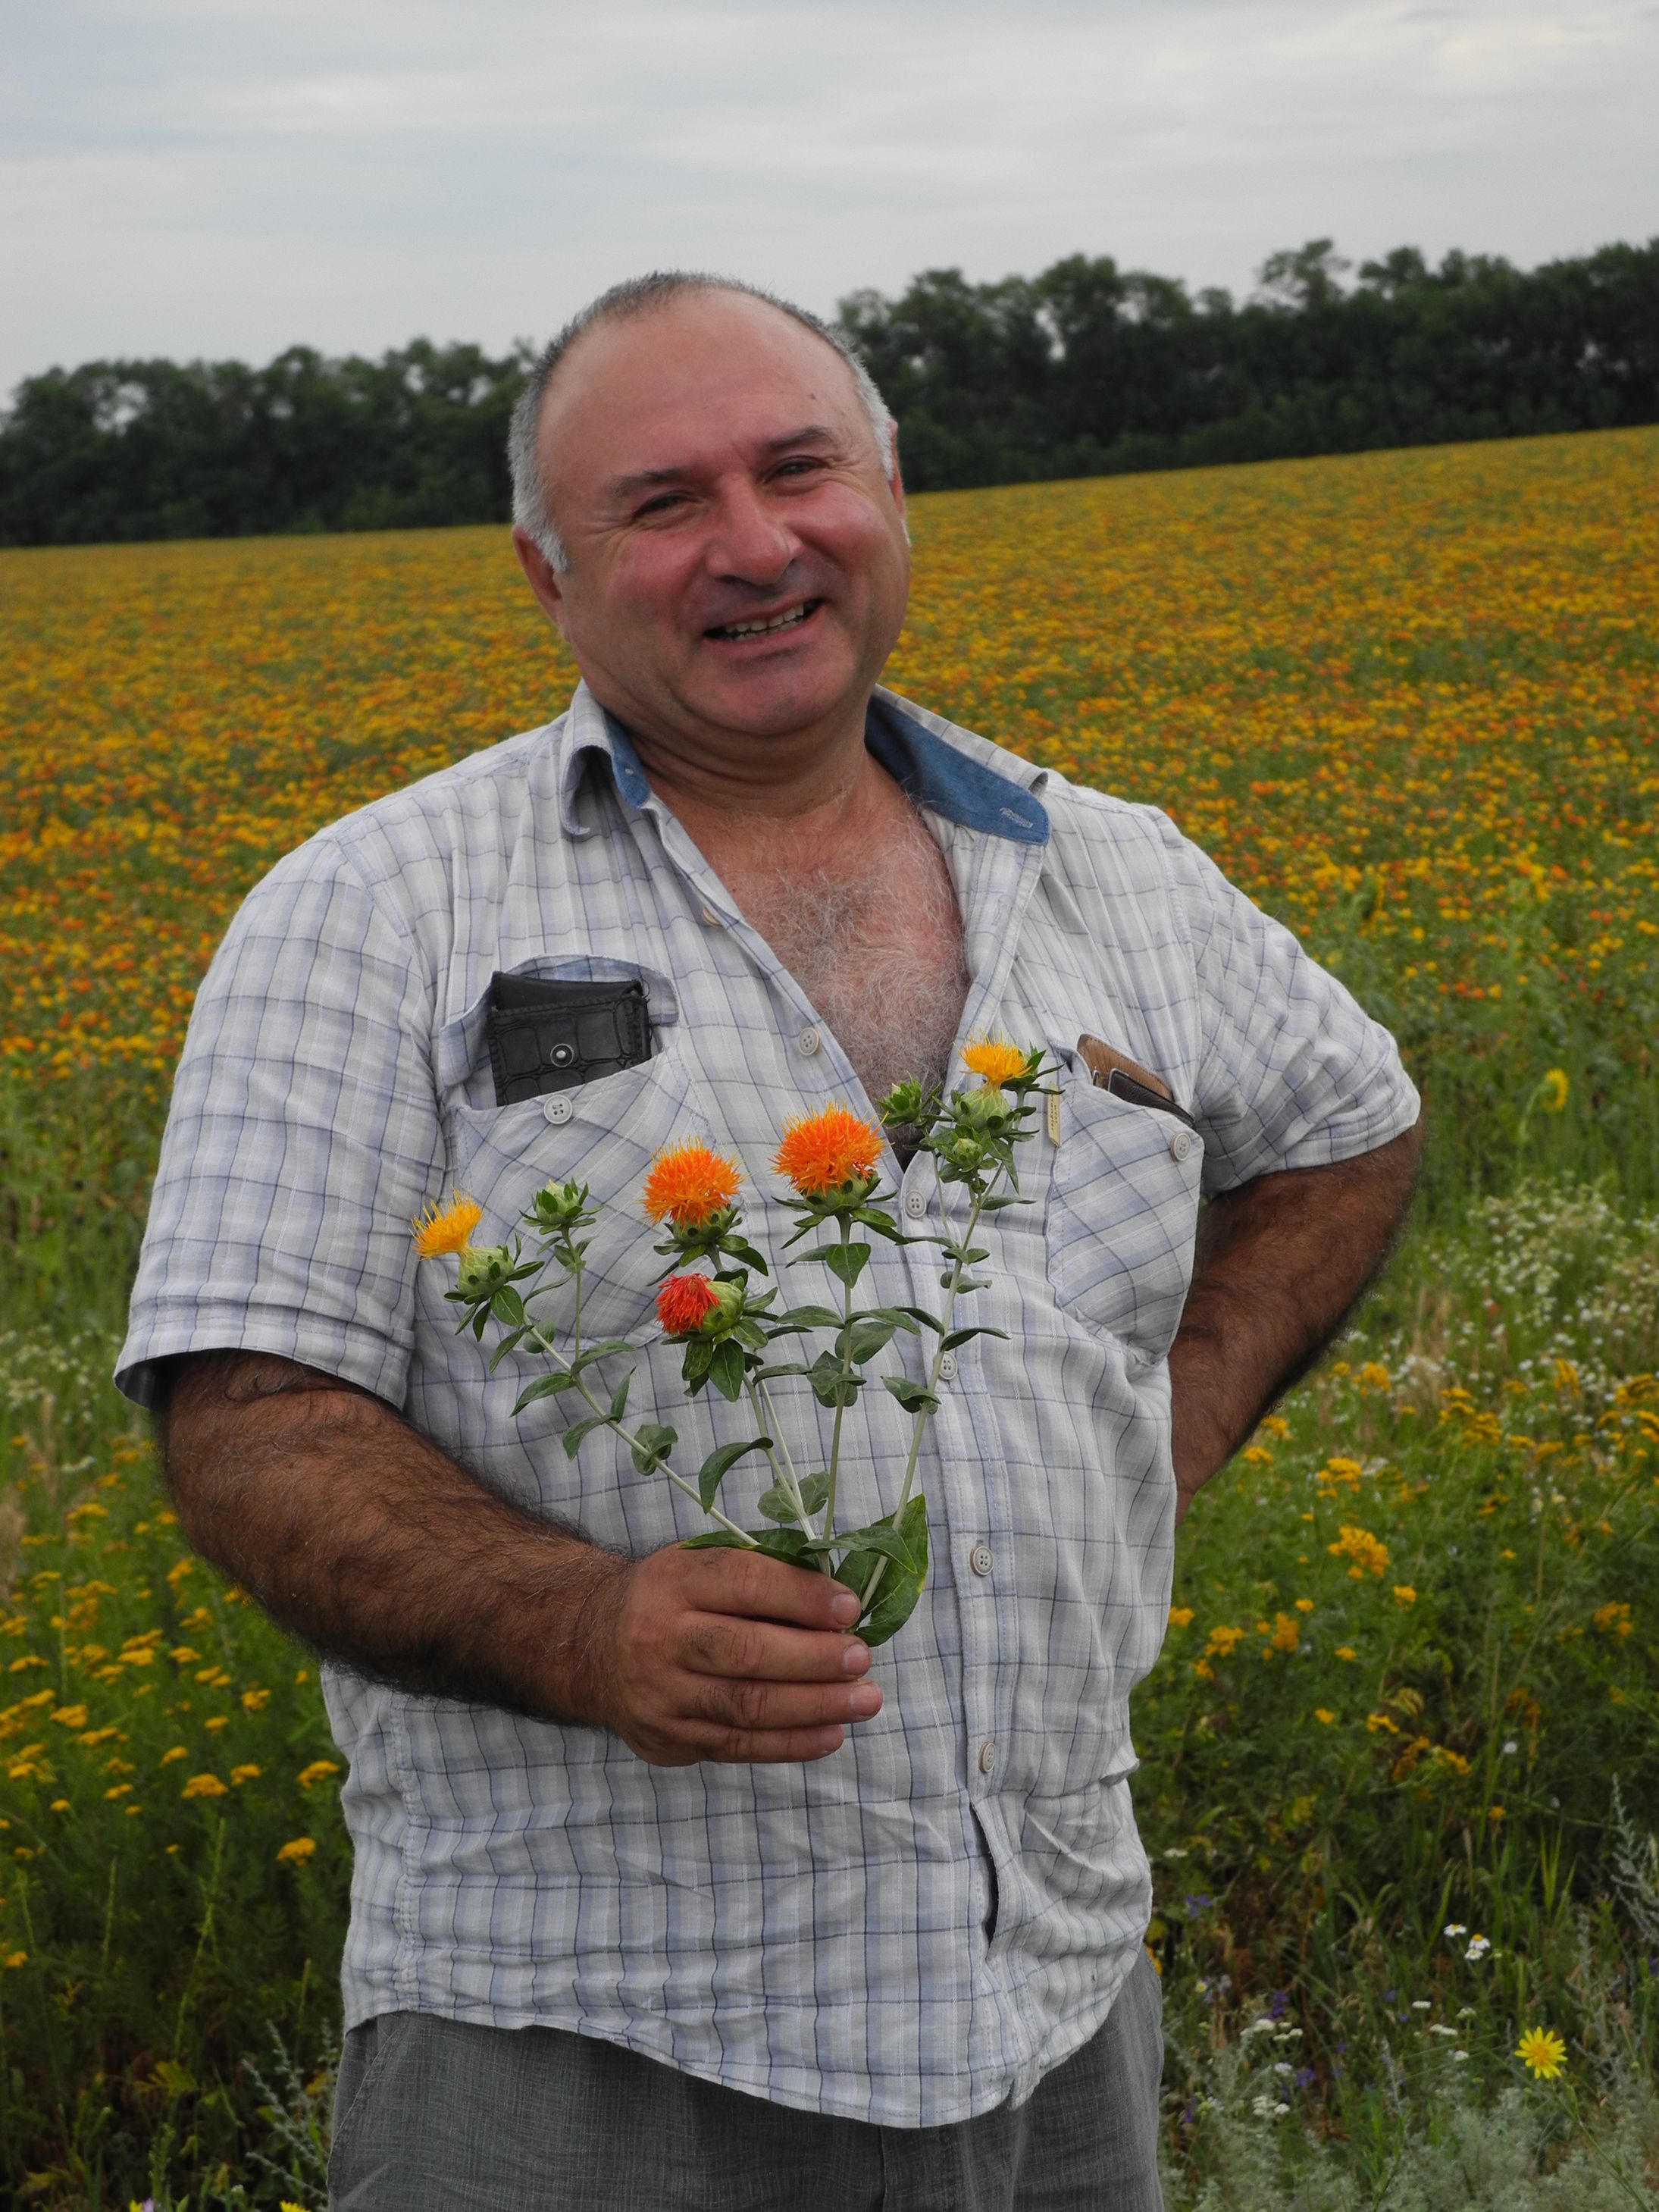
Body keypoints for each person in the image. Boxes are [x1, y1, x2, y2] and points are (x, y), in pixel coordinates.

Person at [117, 272, 1423, 2211]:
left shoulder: (1108, 867)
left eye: (799, 470)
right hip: (589, 2045)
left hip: (1053, 2000)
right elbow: (248, 1410)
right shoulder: (377, 908)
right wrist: (579, 1626)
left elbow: (1349, 1128)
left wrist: (1178, 1418)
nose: (754, 545)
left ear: (889, 492)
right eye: (661, 503)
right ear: (550, 577)